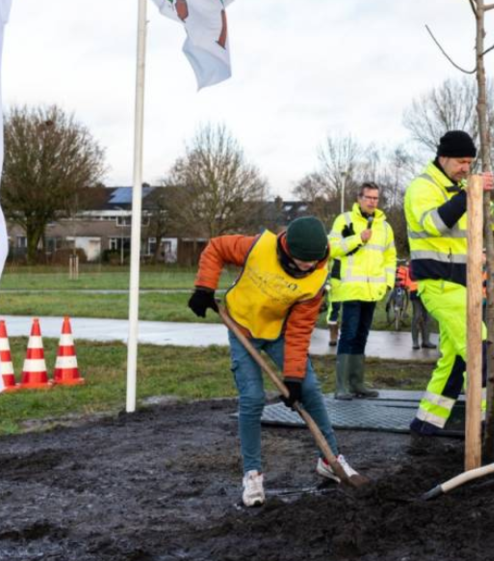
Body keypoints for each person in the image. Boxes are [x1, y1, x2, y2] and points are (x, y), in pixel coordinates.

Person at [187, 217, 361, 507]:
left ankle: (330, 459)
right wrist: (205, 287)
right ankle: (252, 474)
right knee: (252, 398)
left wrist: (292, 377)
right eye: (302, 261)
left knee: (308, 387)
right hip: (241, 325)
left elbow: (300, 328)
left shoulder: (317, 278)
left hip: (279, 331)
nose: (308, 266)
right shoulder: (258, 247)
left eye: (313, 261)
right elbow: (216, 248)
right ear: (287, 249)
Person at [404, 130, 494, 435]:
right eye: (461, 161)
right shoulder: (422, 187)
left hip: (462, 286)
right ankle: (491, 423)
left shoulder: (461, 187)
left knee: (455, 360)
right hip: (437, 283)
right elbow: (434, 223)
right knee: (480, 347)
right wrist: (469, 193)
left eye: (470, 162)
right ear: (443, 157)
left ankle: (426, 423)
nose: (466, 167)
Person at [328, 182, 397, 400]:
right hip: (349, 289)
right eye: (368, 197)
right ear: (359, 198)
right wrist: (358, 238)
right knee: (348, 335)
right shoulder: (344, 220)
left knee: (361, 335)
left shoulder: (385, 227)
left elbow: (390, 257)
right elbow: (332, 249)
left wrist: (388, 283)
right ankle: (342, 386)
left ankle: (357, 383)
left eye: (376, 198)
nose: (372, 202)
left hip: (372, 291)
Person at [400, 262, 436, 351]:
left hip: (428, 290)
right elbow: (412, 274)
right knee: (417, 315)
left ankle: (426, 341)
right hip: (415, 289)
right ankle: (415, 342)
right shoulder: (415, 259)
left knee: (427, 316)